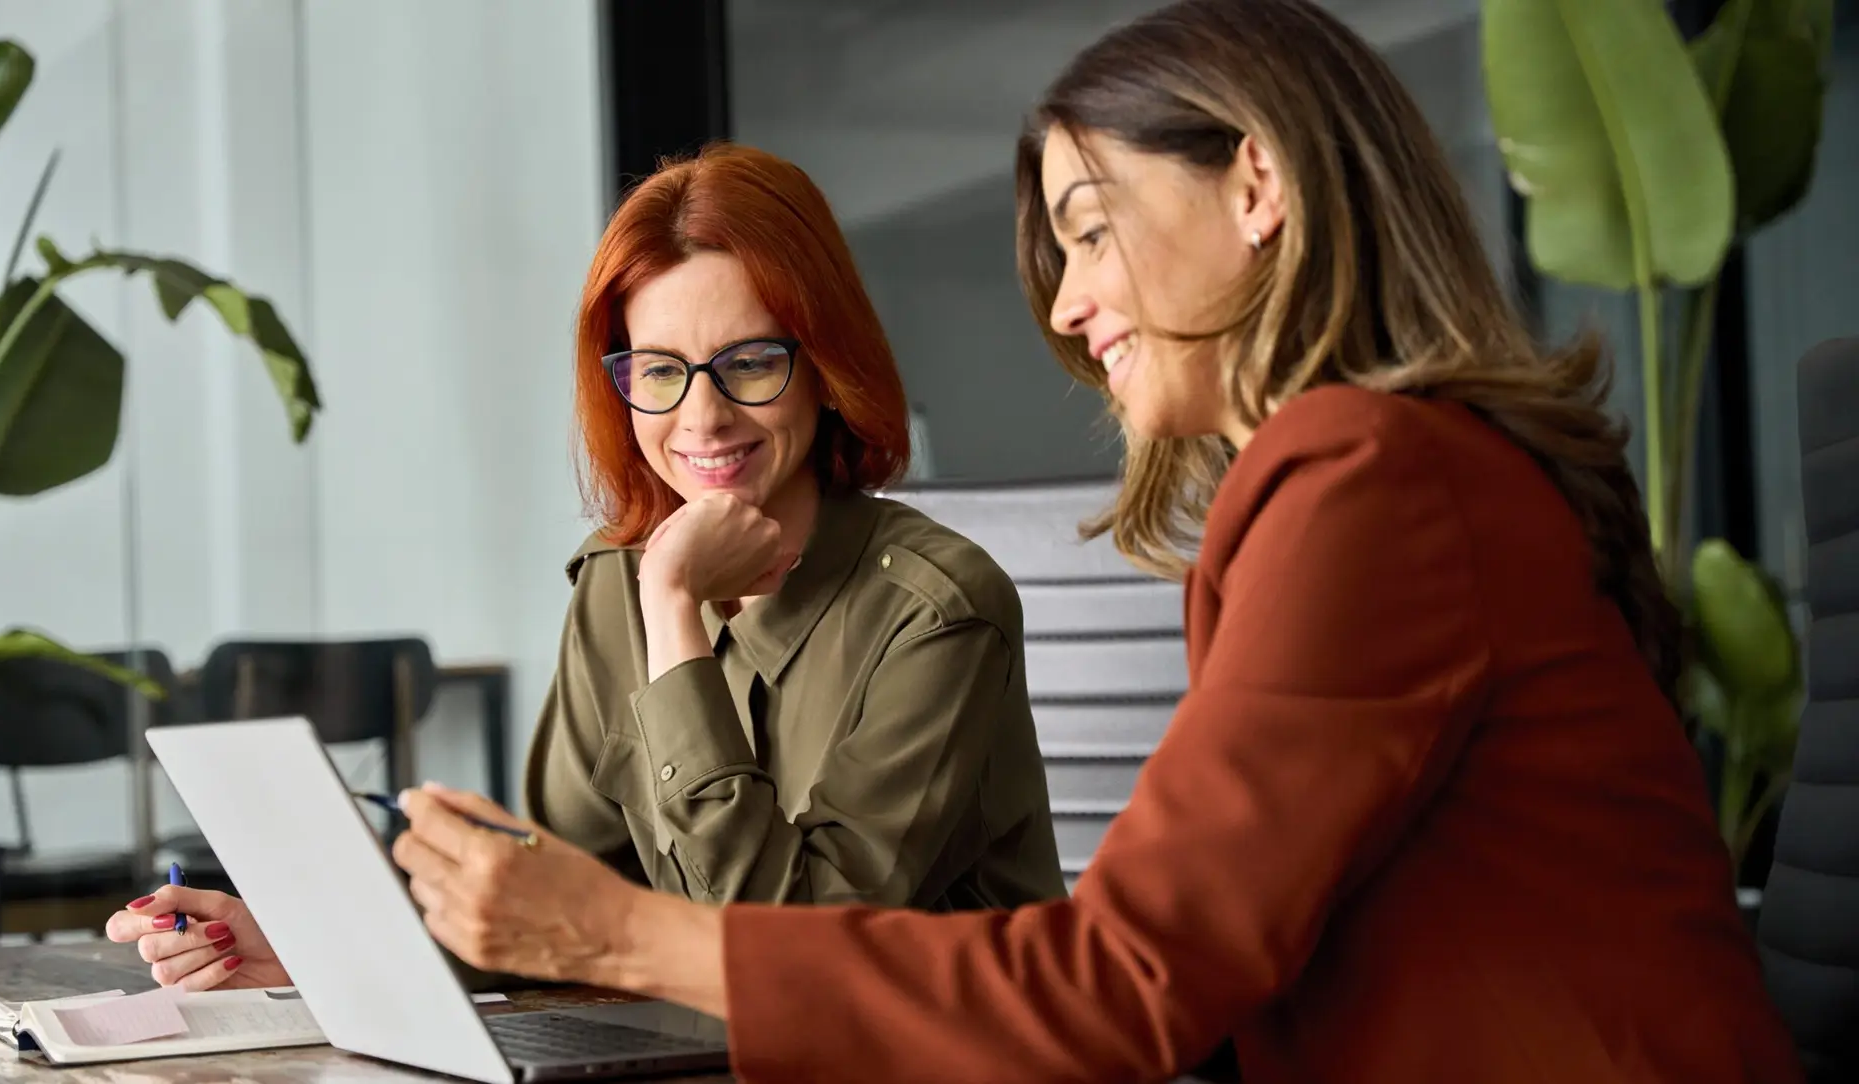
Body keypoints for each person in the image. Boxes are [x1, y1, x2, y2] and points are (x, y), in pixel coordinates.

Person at [377, 1, 1807, 1081]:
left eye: (1090, 229)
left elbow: (1127, 980)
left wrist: (612, 936)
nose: (1065, 308)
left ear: (1257, 186)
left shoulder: (1373, 477)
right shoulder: (1382, 473)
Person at [105, 143, 1066, 992]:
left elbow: (783, 952)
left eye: (750, 362)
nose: (702, 418)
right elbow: (561, 896)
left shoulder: (937, 611)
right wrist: (312, 946)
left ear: (824, 365)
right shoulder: (617, 582)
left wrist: (675, 608)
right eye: (659, 370)